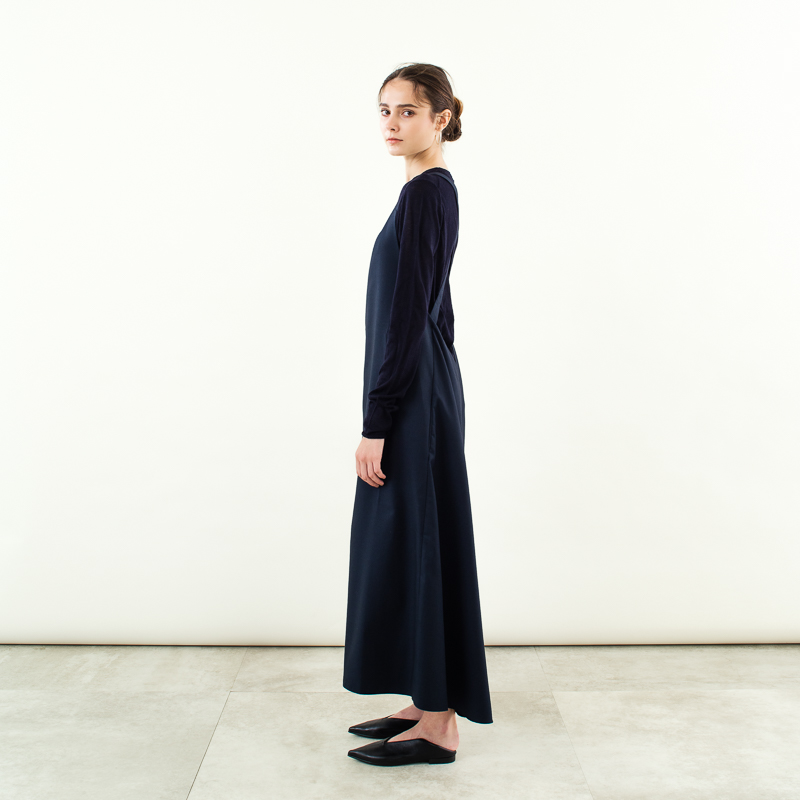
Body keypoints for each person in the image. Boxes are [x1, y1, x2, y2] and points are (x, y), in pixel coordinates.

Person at [343, 63, 492, 768]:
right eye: (385, 110)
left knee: (422, 542)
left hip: (411, 401)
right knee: (407, 542)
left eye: (407, 111)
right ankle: (423, 696)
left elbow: (408, 317)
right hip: (422, 390)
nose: (392, 123)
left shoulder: (429, 192)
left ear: (441, 118)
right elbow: (435, 306)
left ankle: (439, 724)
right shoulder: (424, 193)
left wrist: (377, 420)